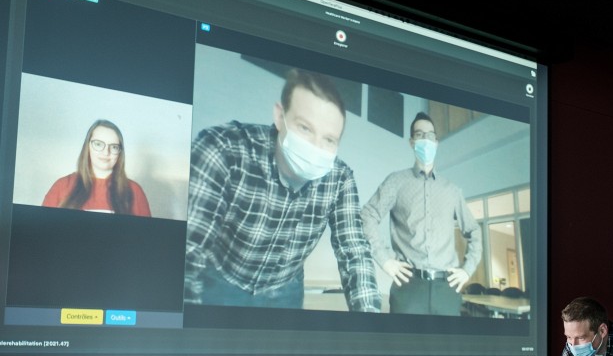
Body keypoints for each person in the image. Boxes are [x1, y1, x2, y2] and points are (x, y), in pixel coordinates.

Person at [184, 68, 380, 311]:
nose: (315, 147)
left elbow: (355, 251)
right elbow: (188, 251)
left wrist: (370, 322)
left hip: (286, 290)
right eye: (305, 128)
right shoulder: (224, 149)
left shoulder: (340, 179)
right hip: (221, 281)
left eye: (329, 140)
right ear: (280, 116)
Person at [360, 111, 481, 315]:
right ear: (411, 142)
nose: (426, 139)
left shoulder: (452, 191)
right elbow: (367, 215)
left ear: (436, 141)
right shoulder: (396, 182)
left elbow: (474, 230)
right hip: (408, 288)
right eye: (419, 134)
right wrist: (384, 260)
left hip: (447, 290)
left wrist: (467, 270)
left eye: (430, 135)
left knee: (446, 347)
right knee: (403, 346)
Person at [42, 119, 151, 216]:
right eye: (98, 144)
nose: (106, 152)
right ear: (87, 147)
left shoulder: (134, 190)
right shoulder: (61, 186)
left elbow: (145, 236)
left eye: (113, 147)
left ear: (120, 152)